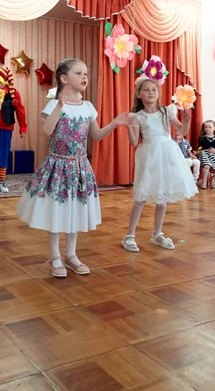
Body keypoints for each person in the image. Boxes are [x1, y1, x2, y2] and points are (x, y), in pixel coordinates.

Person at [16, 58, 128, 277]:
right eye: (78, 73)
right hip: (57, 165)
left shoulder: (88, 107)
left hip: (79, 167)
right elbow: (47, 131)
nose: (84, 77)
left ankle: (72, 255)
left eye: (85, 73)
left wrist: (114, 124)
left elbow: (95, 135)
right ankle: (55, 255)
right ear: (64, 79)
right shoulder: (52, 105)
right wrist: (59, 105)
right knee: (56, 209)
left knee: (74, 208)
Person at [121, 77, 197, 253]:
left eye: (153, 90)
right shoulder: (137, 116)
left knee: (162, 198)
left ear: (158, 93)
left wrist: (186, 120)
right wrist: (128, 126)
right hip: (148, 155)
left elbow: (182, 131)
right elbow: (133, 142)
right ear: (139, 94)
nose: (150, 92)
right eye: (146, 90)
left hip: (167, 153)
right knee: (140, 198)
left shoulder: (166, 111)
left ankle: (157, 233)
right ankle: (129, 236)